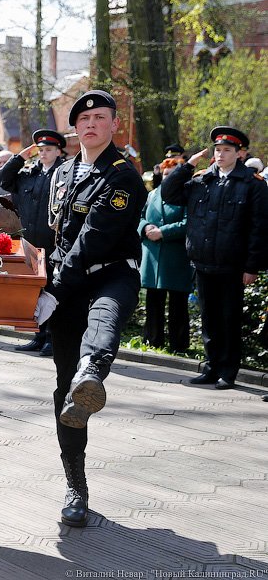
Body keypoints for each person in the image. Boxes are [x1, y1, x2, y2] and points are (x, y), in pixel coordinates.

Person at [35, 90, 147, 527]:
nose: (91, 124)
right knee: (65, 390)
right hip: (68, 282)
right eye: (83, 119)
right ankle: (75, 485)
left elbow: (92, 240)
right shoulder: (61, 172)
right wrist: (32, 279)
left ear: (114, 124)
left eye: (100, 117)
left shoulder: (123, 176)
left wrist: (54, 290)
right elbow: (53, 236)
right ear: (74, 128)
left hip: (110, 275)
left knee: (103, 322)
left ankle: (92, 373)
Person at [161, 126, 268, 390]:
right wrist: (187, 166)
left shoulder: (252, 184)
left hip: (233, 265)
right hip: (203, 262)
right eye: (218, 150)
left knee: (229, 319)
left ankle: (228, 372)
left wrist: (252, 266)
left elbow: (259, 228)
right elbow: (168, 194)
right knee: (209, 319)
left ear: (239, 154)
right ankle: (211, 367)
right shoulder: (202, 179)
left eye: (227, 150)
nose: (220, 155)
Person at [0, 129, 66, 357]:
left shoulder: (64, 175)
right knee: (35, 292)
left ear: (58, 151)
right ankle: (38, 335)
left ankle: (53, 339)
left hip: (54, 245)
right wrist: (19, 158)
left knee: (52, 292)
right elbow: (4, 180)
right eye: (41, 150)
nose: (44, 153)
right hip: (31, 244)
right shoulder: (29, 174)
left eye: (49, 150)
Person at [139, 156, 192, 353]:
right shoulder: (152, 194)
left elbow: (188, 223)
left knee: (178, 302)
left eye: (172, 174)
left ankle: (179, 344)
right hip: (153, 255)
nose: (168, 178)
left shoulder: (186, 196)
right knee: (153, 300)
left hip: (175, 256)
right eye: (165, 174)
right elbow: (139, 216)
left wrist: (163, 232)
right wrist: (145, 227)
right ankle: (153, 340)